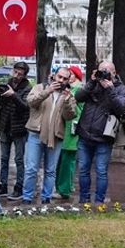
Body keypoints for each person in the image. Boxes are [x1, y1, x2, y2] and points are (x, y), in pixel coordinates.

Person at [73, 61, 125, 204]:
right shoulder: (93, 85)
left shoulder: (122, 89)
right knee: (83, 169)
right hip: (85, 133)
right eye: (101, 70)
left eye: (107, 71)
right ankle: (83, 200)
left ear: (114, 73)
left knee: (101, 171)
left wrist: (111, 89)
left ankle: (99, 203)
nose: (103, 73)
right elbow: (78, 97)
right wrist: (91, 83)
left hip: (104, 138)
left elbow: (122, 108)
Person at [21, 67, 77, 205]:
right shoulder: (40, 87)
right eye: (60, 77)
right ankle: (27, 198)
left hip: (56, 136)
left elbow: (70, 116)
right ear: (53, 76)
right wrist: (48, 91)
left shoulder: (68, 95)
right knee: (32, 168)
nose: (61, 80)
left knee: (50, 170)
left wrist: (67, 101)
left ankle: (46, 198)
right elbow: (31, 102)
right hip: (36, 133)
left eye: (65, 78)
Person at [0, 61, 32, 200]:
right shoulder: (7, 84)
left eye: (20, 74)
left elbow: (25, 107)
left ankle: (19, 187)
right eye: (15, 72)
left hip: (19, 129)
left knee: (19, 159)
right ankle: (3, 186)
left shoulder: (27, 88)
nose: (16, 76)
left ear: (24, 75)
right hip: (5, 126)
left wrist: (13, 95)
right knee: (3, 159)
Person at [54, 67, 84, 201]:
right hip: (67, 129)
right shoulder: (72, 90)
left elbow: (77, 111)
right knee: (64, 161)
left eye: (69, 75)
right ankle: (63, 187)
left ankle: (64, 190)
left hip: (72, 129)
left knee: (67, 161)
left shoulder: (77, 91)